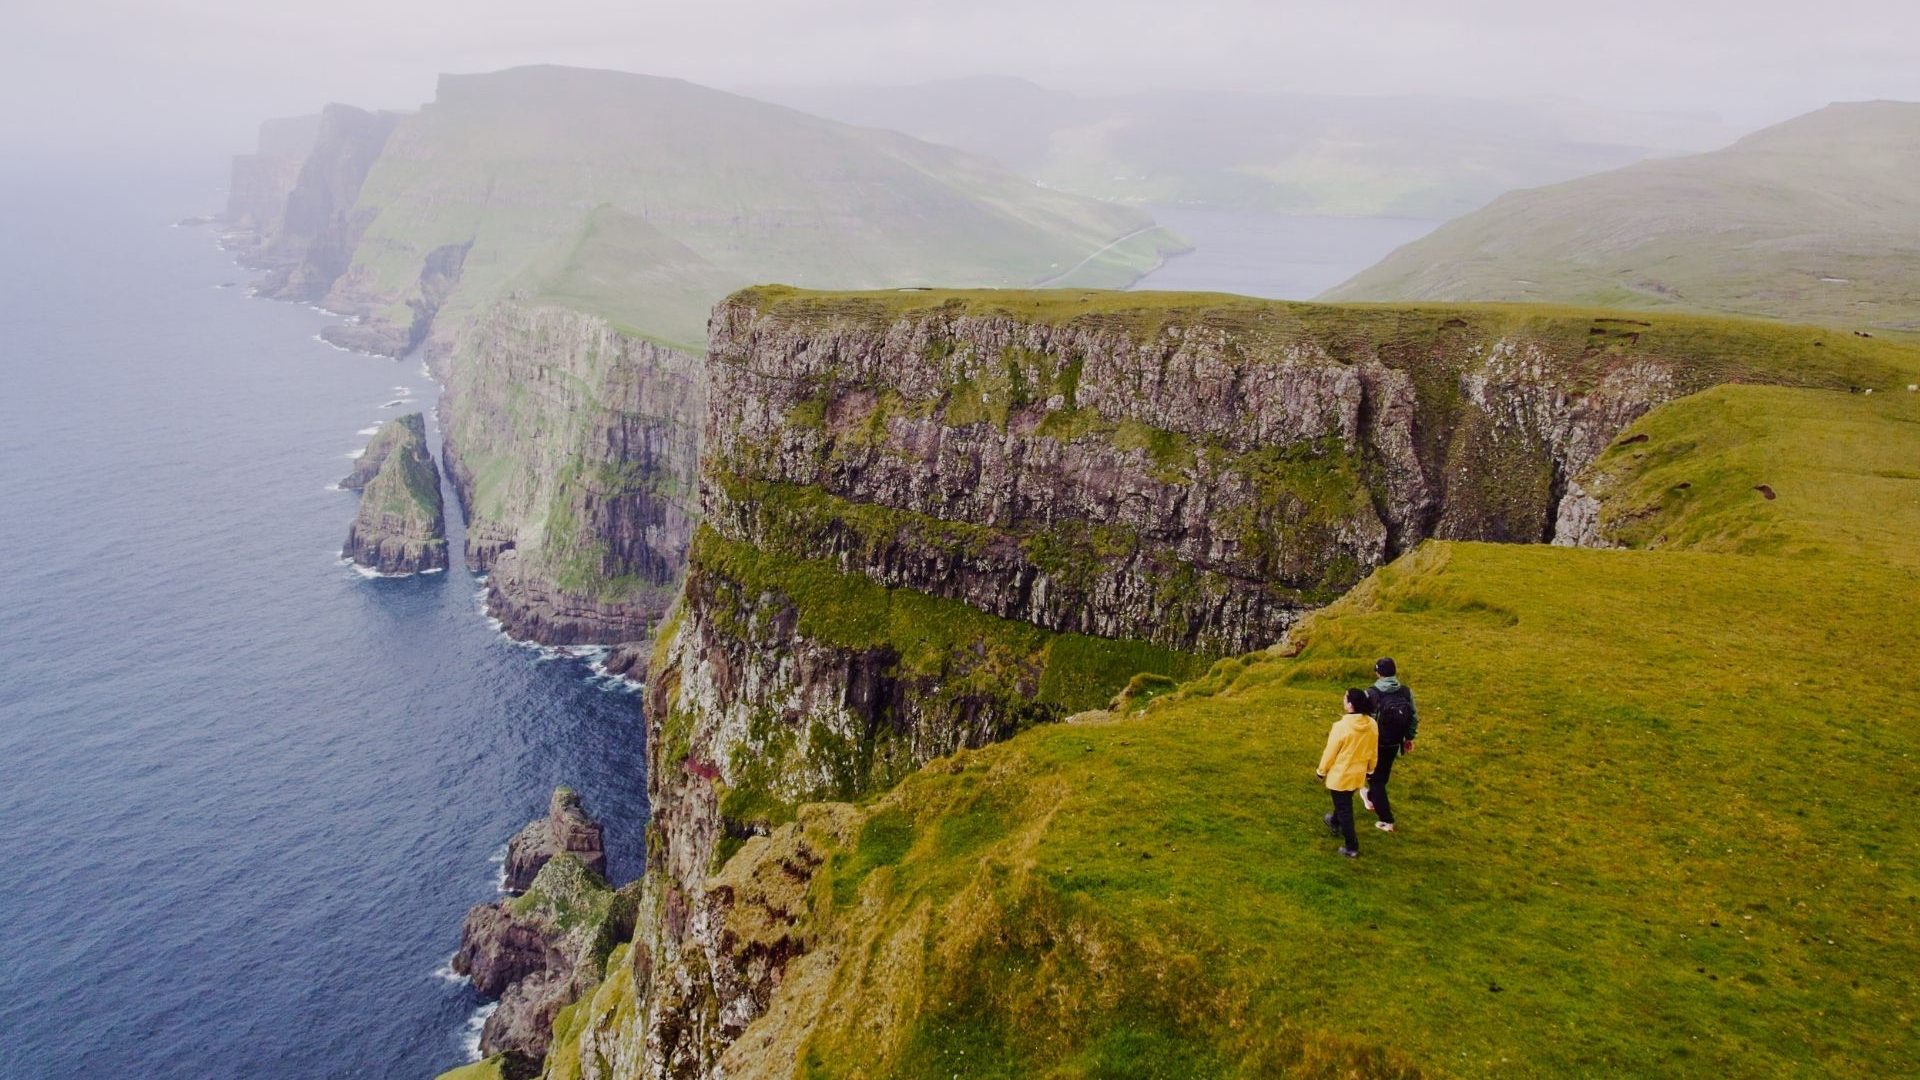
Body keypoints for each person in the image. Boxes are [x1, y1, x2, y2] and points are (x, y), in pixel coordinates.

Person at [1317, 688, 1379, 858]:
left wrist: (1321, 771)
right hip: (1358, 773)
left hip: (1341, 775)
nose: (1343, 700)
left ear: (1350, 705)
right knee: (1344, 801)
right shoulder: (1372, 724)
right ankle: (1334, 821)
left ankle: (1351, 846)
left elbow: (1331, 751)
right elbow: (1373, 750)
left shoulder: (1341, 727)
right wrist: (1371, 769)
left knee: (1345, 808)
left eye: (1345, 698)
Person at [1362, 657, 1418, 833]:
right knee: (1383, 775)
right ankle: (1371, 797)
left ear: (1378, 673)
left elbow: (1362, 719)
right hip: (1395, 742)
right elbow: (1413, 717)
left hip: (1375, 743)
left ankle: (1386, 820)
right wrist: (1409, 738)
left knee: (1375, 779)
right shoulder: (1406, 692)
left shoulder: (1371, 693)